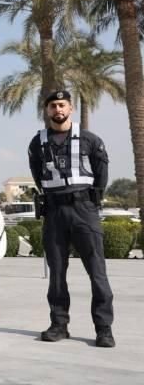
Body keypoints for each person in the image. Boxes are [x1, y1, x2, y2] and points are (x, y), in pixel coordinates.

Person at [27, 89, 114, 348]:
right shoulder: (37, 143)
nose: (58, 110)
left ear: (71, 108)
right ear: (47, 110)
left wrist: (87, 200)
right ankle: (59, 325)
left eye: (62, 105)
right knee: (56, 274)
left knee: (97, 272)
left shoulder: (90, 139)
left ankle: (104, 329)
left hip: (84, 210)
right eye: (53, 105)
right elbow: (37, 175)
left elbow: (101, 175)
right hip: (54, 212)